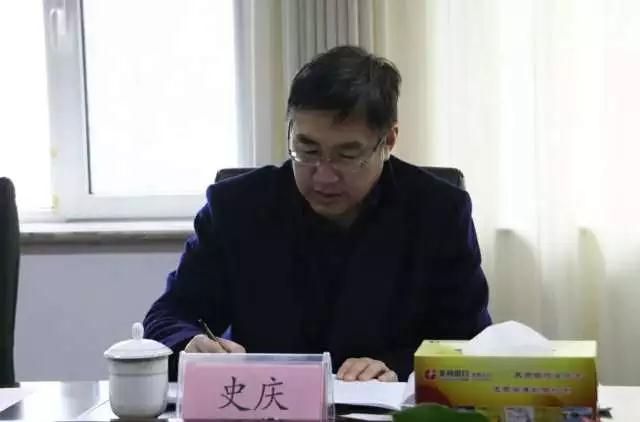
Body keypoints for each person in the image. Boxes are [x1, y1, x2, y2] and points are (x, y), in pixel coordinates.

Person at [143, 45, 490, 382]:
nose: (323, 176)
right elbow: (169, 316)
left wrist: (396, 368)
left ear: (388, 141)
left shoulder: (439, 213)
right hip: (267, 404)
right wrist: (189, 344)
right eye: (307, 150)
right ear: (290, 132)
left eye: (347, 155)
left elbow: (468, 342)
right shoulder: (236, 208)